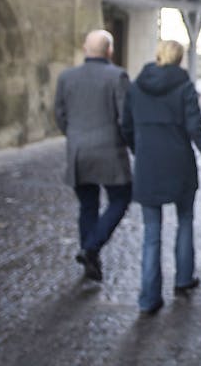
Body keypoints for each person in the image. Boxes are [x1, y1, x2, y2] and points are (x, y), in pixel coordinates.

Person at [122, 40, 201, 316]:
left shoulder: (136, 87)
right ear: (179, 60)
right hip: (179, 163)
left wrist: (137, 149)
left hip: (148, 164)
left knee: (151, 233)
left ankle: (148, 297)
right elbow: (196, 128)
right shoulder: (184, 87)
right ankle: (183, 278)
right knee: (185, 221)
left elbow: (125, 125)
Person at [54, 29, 132, 282]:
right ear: (109, 50)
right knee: (120, 199)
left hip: (78, 151)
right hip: (109, 150)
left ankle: (90, 255)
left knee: (87, 205)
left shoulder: (67, 77)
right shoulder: (117, 76)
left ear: (85, 49)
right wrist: (130, 144)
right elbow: (125, 118)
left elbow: (59, 114)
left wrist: (74, 136)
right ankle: (91, 248)